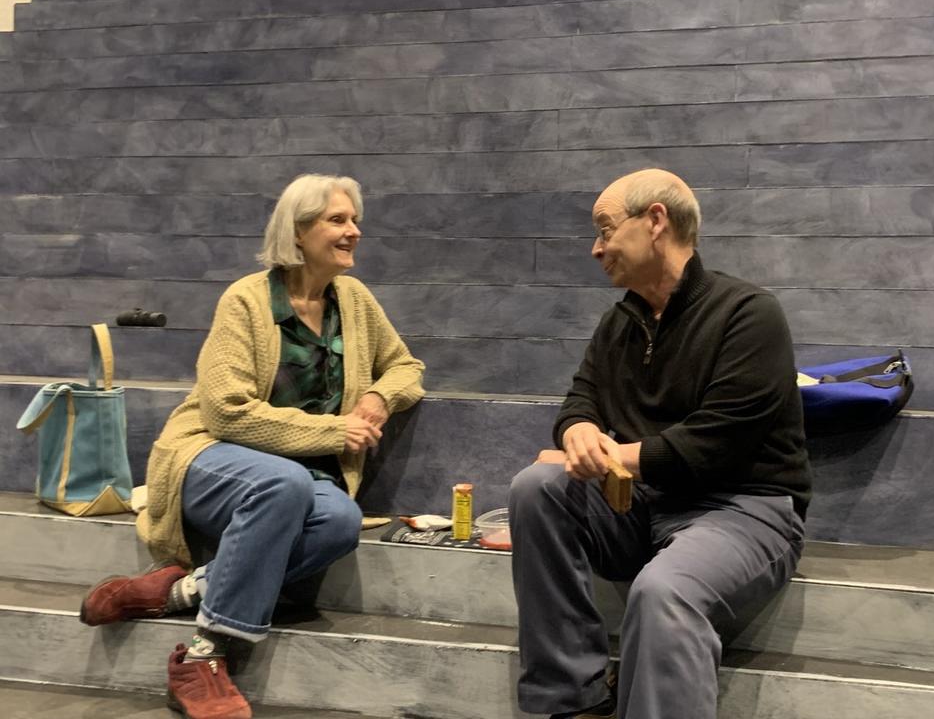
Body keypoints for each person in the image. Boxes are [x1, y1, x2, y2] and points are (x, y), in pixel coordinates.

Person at [79, 174, 425, 719]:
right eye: (338, 220)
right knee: (279, 481)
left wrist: (380, 397)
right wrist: (335, 431)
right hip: (211, 457)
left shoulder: (354, 301)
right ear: (298, 230)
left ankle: (177, 592)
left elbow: (407, 366)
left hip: (305, 476)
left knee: (338, 523)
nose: (353, 231)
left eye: (354, 220)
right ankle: (204, 654)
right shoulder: (245, 300)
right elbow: (226, 412)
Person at [509, 168, 811, 719]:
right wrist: (577, 430)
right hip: (645, 506)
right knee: (536, 488)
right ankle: (572, 698)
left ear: (654, 222)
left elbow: (714, 445)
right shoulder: (619, 322)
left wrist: (608, 454)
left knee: (663, 592)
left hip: (745, 510)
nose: (595, 248)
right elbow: (581, 402)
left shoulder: (748, 314)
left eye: (605, 229)